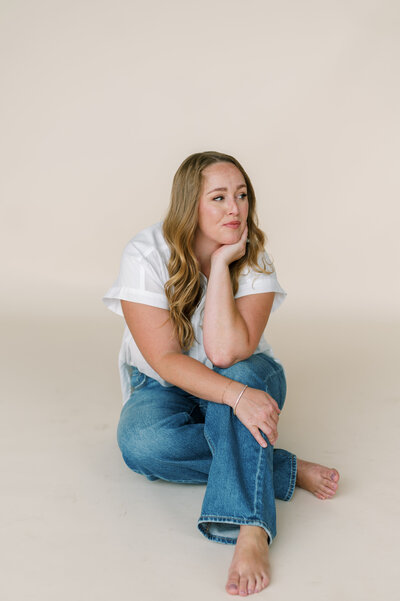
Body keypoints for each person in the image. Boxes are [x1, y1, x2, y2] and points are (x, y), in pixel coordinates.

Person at [103, 151, 339, 596]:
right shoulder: (145, 253)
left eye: (242, 195)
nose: (235, 209)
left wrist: (219, 265)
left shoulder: (255, 257)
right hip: (165, 383)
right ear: (190, 204)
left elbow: (227, 353)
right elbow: (167, 361)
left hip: (249, 373)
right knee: (141, 443)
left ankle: (251, 530)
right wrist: (234, 398)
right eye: (219, 197)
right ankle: (281, 467)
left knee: (241, 385)